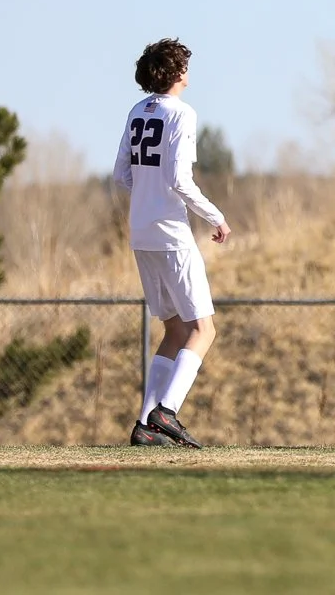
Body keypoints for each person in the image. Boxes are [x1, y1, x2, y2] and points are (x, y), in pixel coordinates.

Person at [113, 38, 230, 448]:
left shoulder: (135, 111)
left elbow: (121, 174)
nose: (189, 72)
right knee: (203, 329)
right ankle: (167, 412)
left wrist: (146, 195)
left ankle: (146, 424)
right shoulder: (182, 113)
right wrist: (215, 215)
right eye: (186, 66)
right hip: (170, 233)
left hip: (141, 233)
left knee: (175, 329)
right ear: (177, 72)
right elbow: (180, 179)